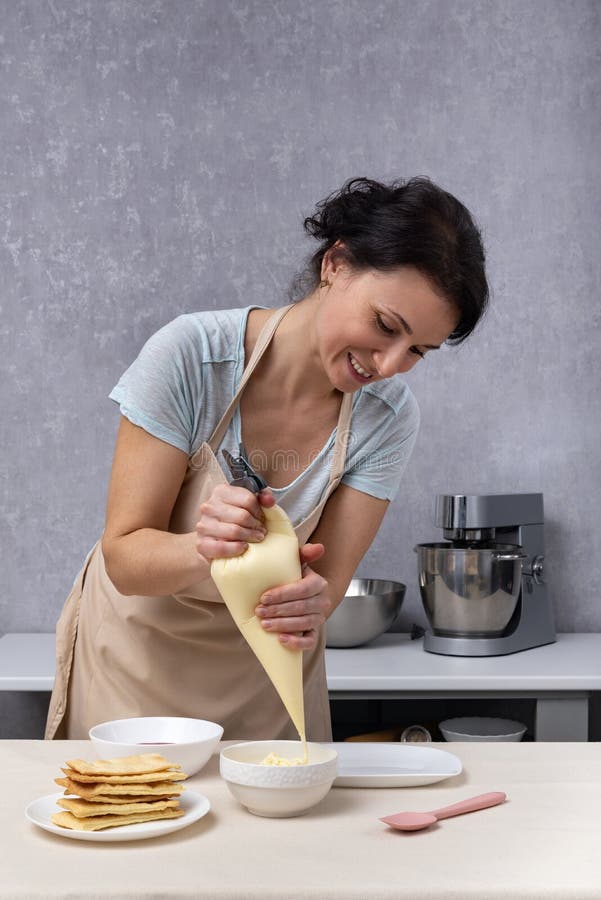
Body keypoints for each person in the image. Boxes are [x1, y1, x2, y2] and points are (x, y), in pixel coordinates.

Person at [45, 176, 489, 741]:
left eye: (417, 351)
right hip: (137, 668)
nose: (387, 365)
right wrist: (205, 548)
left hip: (267, 677)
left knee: (279, 798)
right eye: (384, 326)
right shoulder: (191, 358)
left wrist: (313, 603)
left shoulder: (387, 417)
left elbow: (327, 583)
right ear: (335, 264)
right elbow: (124, 559)